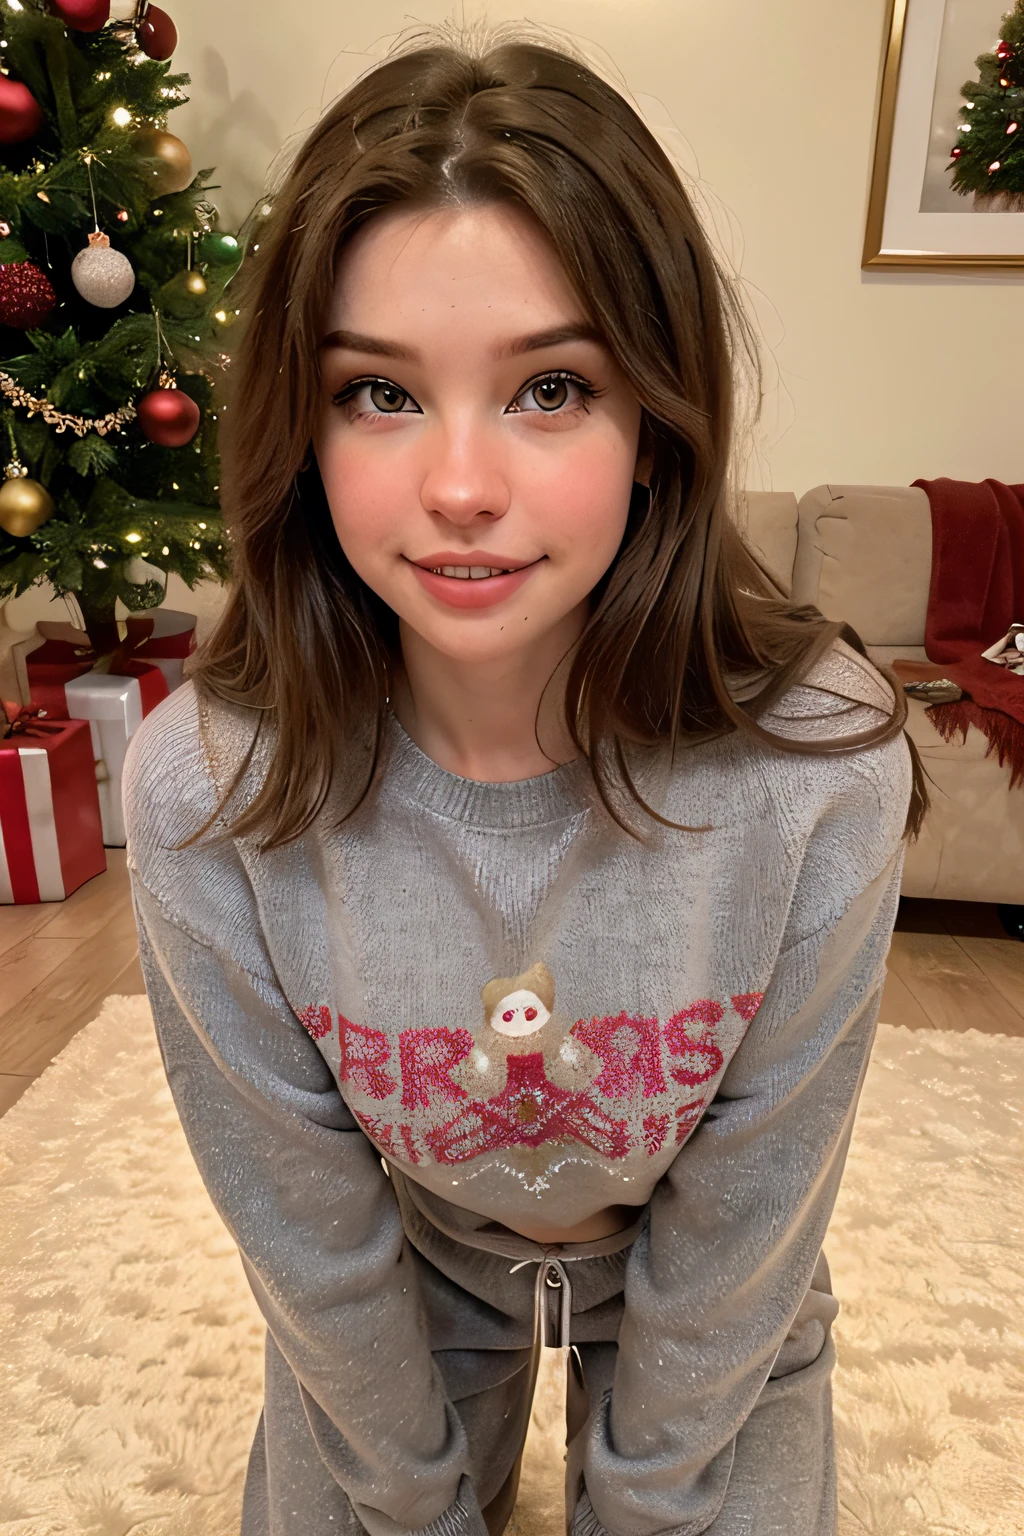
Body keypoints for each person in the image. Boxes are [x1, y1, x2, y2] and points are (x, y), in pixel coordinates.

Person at [121, 22, 928, 1536]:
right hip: (415, 1274)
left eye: (550, 389)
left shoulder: (820, 769)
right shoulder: (202, 792)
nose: (462, 488)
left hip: (708, 1298)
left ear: (655, 425)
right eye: (380, 394)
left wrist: (651, 1493)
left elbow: (753, 1212)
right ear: (301, 426)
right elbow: (307, 1238)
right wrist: (414, 1504)